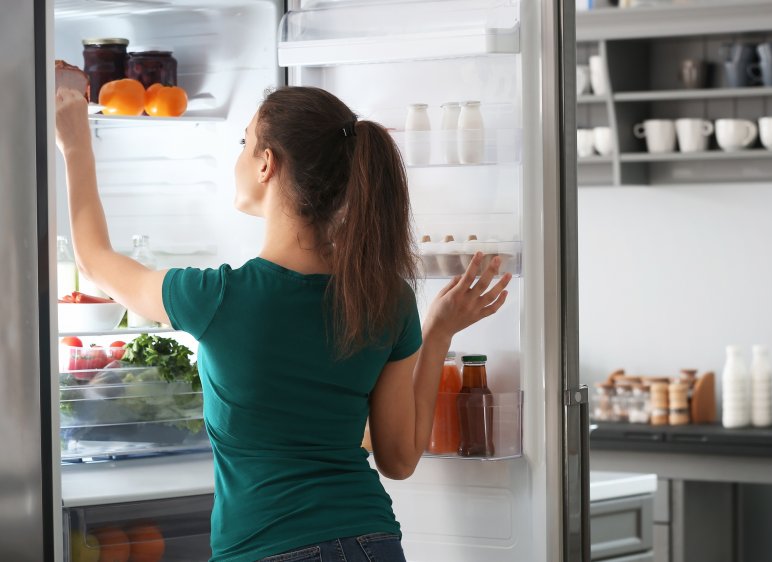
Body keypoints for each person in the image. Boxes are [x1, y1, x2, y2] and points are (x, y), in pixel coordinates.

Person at [54, 85, 512, 562]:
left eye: (244, 142)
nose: (239, 156)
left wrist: (75, 143)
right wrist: (437, 331)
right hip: (372, 543)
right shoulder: (385, 296)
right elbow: (398, 459)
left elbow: (94, 262)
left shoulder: (216, 298)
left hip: (266, 549)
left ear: (266, 163)